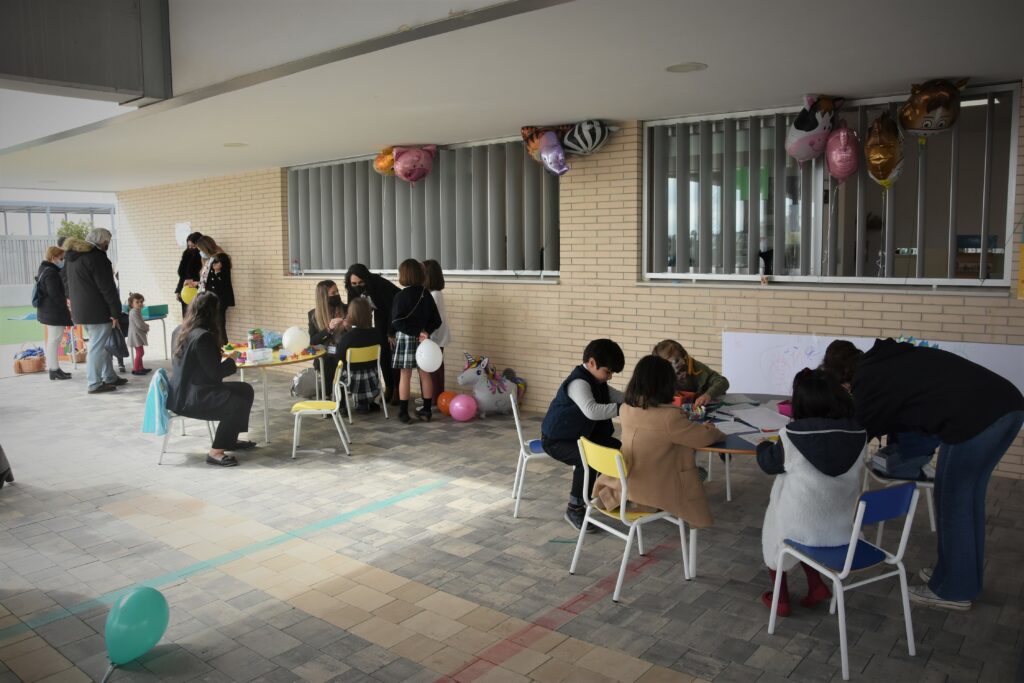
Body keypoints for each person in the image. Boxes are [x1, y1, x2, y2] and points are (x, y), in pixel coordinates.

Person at [822, 337, 1024, 611]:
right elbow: (905, 413)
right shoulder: (886, 362)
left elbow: (858, 432)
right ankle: (955, 575)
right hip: (1006, 405)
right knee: (968, 500)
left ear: (844, 382)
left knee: (954, 503)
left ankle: (954, 589)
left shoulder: (868, 379)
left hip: (978, 418)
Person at [756, 368, 866, 617]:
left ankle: (781, 599)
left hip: (799, 525)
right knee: (806, 523)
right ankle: (816, 586)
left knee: (774, 528)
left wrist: (763, 445)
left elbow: (769, 464)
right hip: (841, 526)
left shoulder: (791, 436)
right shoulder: (860, 434)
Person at [592, 355, 723, 528]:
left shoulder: (626, 408)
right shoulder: (669, 417)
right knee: (699, 474)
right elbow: (702, 438)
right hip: (652, 487)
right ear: (667, 384)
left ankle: (628, 499)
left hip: (626, 479)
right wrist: (710, 428)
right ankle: (649, 505)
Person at [541, 339, 626, 531]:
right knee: (587, 460)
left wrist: (639, 399)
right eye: (608, 371)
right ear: (592, 363)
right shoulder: (578, 382)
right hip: (556, 440)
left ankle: (610, 496)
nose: (610, 377)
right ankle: (574, 508)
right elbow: (592, 411)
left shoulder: (598, 381)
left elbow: (621, 397)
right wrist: (624, 409)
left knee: (616, 449)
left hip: (580, 436)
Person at [167, 292, 255, 467]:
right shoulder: (203, 337)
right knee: (236, 404)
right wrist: (233, 359)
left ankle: (230, 438)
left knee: (245, 389)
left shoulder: (180, 330)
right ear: (212, 312)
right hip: (194, 397)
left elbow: (193, 361)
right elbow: (215, 373)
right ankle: (216, 452)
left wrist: (216, 355)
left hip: (182, 392)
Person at [64, 228, 128, 394]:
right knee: (97, 347)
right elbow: (107, 288)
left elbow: (65, 282)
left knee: (101, 345)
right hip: (98, 311)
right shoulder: (97, 258)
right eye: (108, 241)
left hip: (82, 310)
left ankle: (109, 376)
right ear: (102, 241)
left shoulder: (72, 258)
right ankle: (94, 383)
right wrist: (115, 311)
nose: (108, 244)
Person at [389, 259, 442, 423]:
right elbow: (437, 320)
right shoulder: (426, 294)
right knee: (425, 374)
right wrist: (425, 332)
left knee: (405, 375)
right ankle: (426, 411)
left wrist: (415, 332)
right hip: (424, 340)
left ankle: (403, 413)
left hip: (406, 337)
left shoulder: (400, 296)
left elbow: (396, 321)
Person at [345, 263, 401, 402]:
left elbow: (393, 311)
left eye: (360, 282)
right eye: (354, 283)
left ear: (366, 279)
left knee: (391, 351)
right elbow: (354, 310)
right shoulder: (352, 289)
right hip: (380, 313)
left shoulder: (379, 285)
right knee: (382, 353)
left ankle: (397, 389)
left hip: (395, 314)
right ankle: (388, 386)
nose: (357, 286)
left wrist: (391, 333)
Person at [336, 298, 385, 413]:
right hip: (373, 378)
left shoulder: (348, 337)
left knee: (338, 372)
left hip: (352, 380)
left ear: (351, 315)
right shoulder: (377, 333)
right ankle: (368, 402)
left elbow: (339, 359)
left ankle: (343, 406)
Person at [653, 339, 730, 407]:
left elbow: (722, 381)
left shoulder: (694, 365)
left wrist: (708, 395)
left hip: (701, 409)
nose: (683, 362)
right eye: (676, 361)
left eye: (682, 356)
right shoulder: (658, 375)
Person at [35, 246, 73, 380]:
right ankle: (54, 369)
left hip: (49, 311)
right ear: (53, 258)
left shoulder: (44, 269)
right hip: (53, 312)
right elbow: (55, 294)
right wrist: (65, 306)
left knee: (53, 340)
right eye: (61, 258)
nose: (62, 261)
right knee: (54, 340)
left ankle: (55, 369)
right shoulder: (50, 272)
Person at [194, 238, 234, 346]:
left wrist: (217, 272)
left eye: (200, 249)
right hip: (206, 297)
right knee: (210, 326)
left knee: (219, 326)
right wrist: (197, 283)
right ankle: (214, 350)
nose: (200, 252)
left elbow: (224, 280)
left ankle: (224, 352)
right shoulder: (209, 259)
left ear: (206, 247)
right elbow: (207, 280)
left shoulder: (221, 257)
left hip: (218, 298)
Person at [308, 279, 347, 376]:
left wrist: (347, 327)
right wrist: (328, 329)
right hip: (325, 358)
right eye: (333, 293)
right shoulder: (313, 315)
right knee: (327, 367)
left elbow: (354, 333)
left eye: (337, 291)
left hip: (343, 355)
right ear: (324, 297)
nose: (337, 294)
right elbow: (312, 340)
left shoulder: (346, 309)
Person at [423, 260, 450, 395]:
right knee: (436, 367)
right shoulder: (436, 293)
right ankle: (437, 396)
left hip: (434, 337)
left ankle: (434, 398)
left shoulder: (433, 295)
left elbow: (430, 318)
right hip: (437, 336)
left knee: (432, 368)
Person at [175, 231, 203, 317]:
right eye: (189, 246)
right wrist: (178, 290)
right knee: (187, 318)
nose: (190, 248)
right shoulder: (186, 254)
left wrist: (196, 282)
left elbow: (204, 274)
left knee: (197, 317)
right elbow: (182, 274)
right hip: (186, 290)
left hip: (197, 289)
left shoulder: (203, 256)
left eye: (193, 246)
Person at [126, 292, 151, 376]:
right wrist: (146, 327)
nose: (140, 304)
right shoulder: (133, 312)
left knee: (140, 352)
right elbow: (139, 324)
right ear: (132, 304)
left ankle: (141, 368)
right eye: (137, 302)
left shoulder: (137, 311)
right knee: (140, 353)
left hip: (137, 334)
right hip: (136, 335)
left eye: (141, 302)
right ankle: (136, 369)